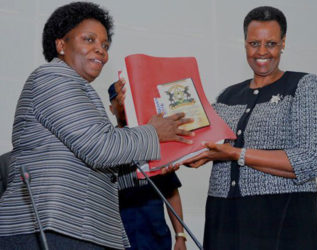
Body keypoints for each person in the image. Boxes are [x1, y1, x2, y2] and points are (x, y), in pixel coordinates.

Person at [0, 2, 193, 250]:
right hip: (52, 227)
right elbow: (100, 147)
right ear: (61, 45)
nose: (100, 50)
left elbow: (102, 170)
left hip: (78, 230)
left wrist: (153, 166)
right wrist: (154, 133)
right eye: (89, 40)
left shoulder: (79, 89)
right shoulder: (53, 77)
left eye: (104, 45)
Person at [179, 6, 317, 250]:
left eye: (270, 43)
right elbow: (207, 144)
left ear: (283, 43)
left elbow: (310, 159)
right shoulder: (227, 95)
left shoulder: (302, 84)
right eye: (253, 43)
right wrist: (189, 154)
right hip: (224, 212)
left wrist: (236, 154)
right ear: (245, 44)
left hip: (280, 213)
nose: (261, 52)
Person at [108, 83, 187, 250]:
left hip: (155, 238)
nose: (123, 104)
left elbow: (171, 192)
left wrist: (180, 236)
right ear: (111, 108)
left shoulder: (154, 142)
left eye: (127, 99)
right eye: (118, 100)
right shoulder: (107, 146)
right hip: (118, 239)